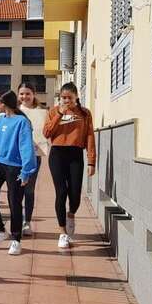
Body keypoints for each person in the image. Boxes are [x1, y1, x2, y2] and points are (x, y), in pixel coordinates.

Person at [0, 90, 38, 256]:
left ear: (4, 103)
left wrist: (26, 170)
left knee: (14, 203)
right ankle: (0, 230)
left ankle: (16, 239)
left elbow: (26, 146)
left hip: (15, 167)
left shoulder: (22, 122)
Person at [43, 82, 96, 249]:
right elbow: (46, 133)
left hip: (75, 155)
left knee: (75, 194)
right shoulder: (53, 112)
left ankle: (71, 214)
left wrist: (91, 160)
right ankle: (63, 233)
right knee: (61, 192)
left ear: (76, 97)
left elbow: (89, 136)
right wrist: (60, 114)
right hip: (57, 154)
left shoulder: (85, 113)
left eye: (69, 98)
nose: (66, 100)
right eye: (63, 98)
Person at [17, 82, 48, 236]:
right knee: (16, 190)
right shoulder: (14, 112)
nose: (25, 97)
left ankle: (26, 222)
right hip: (15, 158)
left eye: (28, 93)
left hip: (34, 156)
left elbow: (47, 132)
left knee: (29, 189)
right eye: (22, 93)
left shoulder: (42, 112)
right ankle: (17, 220)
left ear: (34, 94)